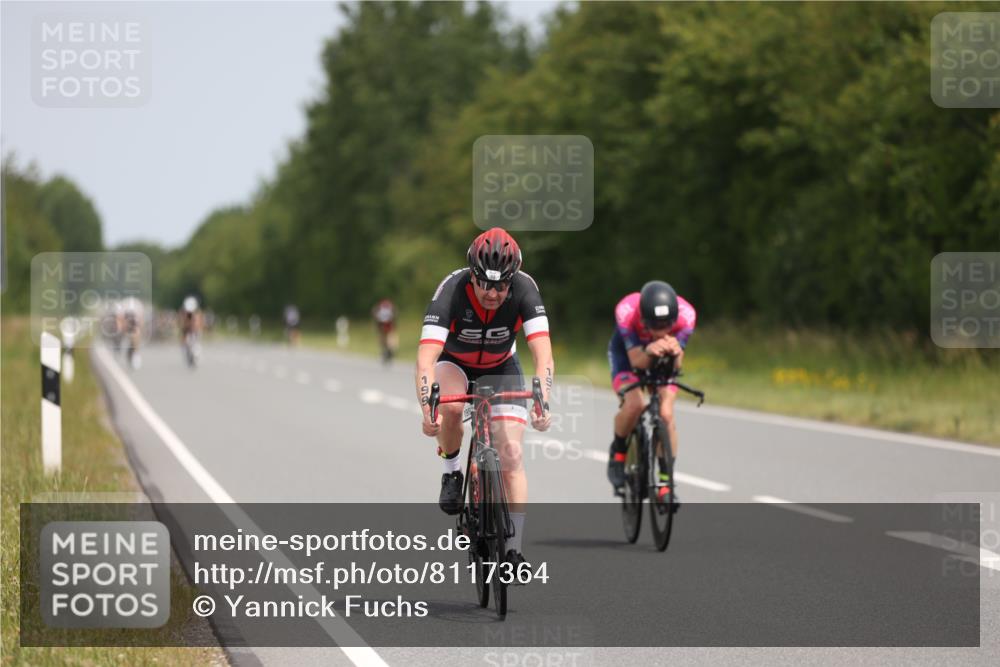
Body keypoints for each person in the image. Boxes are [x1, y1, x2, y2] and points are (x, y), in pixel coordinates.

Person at [415, 227, 553, 569]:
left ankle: (514, 549)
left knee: (511, 452)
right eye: (485, 284)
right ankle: (451, 471)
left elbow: (543, 356)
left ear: (513, 279)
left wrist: (543, 402)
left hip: (502, 364)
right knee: (451, 407)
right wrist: (426, 408)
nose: (492, 293)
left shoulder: (525, 289)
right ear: (472, 276)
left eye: (501, 285)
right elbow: (425, 360)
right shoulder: (450, 291)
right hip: (455, 362)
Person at [606, 281, 696, 509]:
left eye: (667, 325)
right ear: (644, 319)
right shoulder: (626, 310)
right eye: (654, 326)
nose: (661, 331)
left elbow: (676, 367)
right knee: (634, 405)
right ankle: (618, 453)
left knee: (666, 414)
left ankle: (666, 484)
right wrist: (649, 350)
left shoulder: (687, 315)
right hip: (628, 356)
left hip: (662, 360)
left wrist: (675, 353)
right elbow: (636, 360)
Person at [179, 296, 204, 366]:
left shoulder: (198, 313)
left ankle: (195, 355)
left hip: (195, 332)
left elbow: (199, 324)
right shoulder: (183, 313)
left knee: (196, 344)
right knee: (185, 343)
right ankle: (188, 354)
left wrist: (196, 328)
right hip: (187, 331)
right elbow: (182, 324)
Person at [120, 296, 144, 370]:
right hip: (126, 325)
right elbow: (121, 319)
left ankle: (136, 354)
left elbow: (141, 320)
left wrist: (140, 329)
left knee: (136, 338)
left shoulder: (138, 309)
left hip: (135, 326)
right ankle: (128, 349)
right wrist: (123, 329)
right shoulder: (124, 309)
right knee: (129, 337)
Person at [372, 298, 398, 364]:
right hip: (389, 324)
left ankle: (384, 351)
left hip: (381, 324)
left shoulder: (379, 307)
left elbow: (374, 313)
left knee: (382, 337)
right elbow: (395, 314)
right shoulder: (390, 306)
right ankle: (390, 350)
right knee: (390, 336)